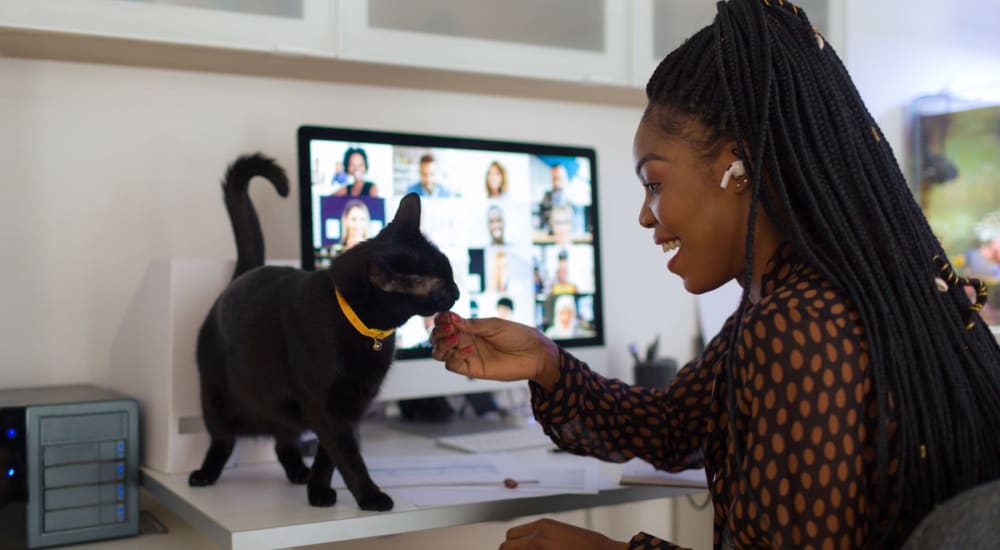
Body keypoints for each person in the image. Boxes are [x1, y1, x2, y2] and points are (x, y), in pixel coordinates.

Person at [429, 1, 1000, 548]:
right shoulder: (792, 299)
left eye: (654, 183)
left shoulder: (799, 324)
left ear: (738, 168)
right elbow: (677, 426)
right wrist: (546, 362)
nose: (645, 214)